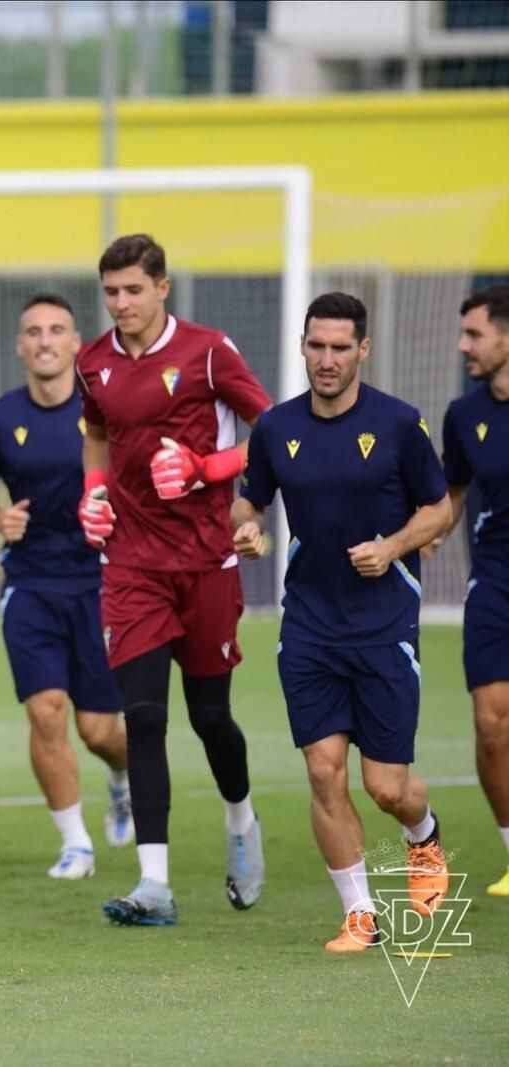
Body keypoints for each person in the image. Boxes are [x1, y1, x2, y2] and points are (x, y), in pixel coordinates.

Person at [232, 293, 451, 950]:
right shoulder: (275, 427)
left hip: (383, 628)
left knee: (386, 787)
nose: (325, 360)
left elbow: (439, 509)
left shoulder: (397, 423)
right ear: (301, 346)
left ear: (363, 350)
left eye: (339, 347)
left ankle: (423, 834)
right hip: (308, 628)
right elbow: (250, 501)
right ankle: (359, 913)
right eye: (315, 345)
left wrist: (392, 547)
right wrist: (248, 531)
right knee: (323, 771)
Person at [75, 233, 268, 926]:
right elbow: (96, 433)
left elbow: (275, 432)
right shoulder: (91, 362)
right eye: (111, 292)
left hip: (206, 560)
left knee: (210, 716)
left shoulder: (209, 350)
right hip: (129, 564)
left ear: (163, 288)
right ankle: (153, 884)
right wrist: (93, 492)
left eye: (133, 290)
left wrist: (205, 468)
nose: (121, 304)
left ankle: (242, 820)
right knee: (145, 716)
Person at [0, 294, 132, 879]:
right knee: (47, 712)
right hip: (30, 584)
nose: (43, 340)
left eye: (56, 330)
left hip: (101, 585)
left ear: (75, 343)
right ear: (19, 345)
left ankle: (120, 779)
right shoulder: (1, 418)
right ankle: (75, 844)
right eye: (33, 331)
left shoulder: (105, 414)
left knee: (100, 730)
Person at [431, 284, 509, 898]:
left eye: (475, 334)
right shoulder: (466, 415)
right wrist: (420, 537)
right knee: (491, 725)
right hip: (495, 584)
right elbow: (450, 495)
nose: (463, 347)